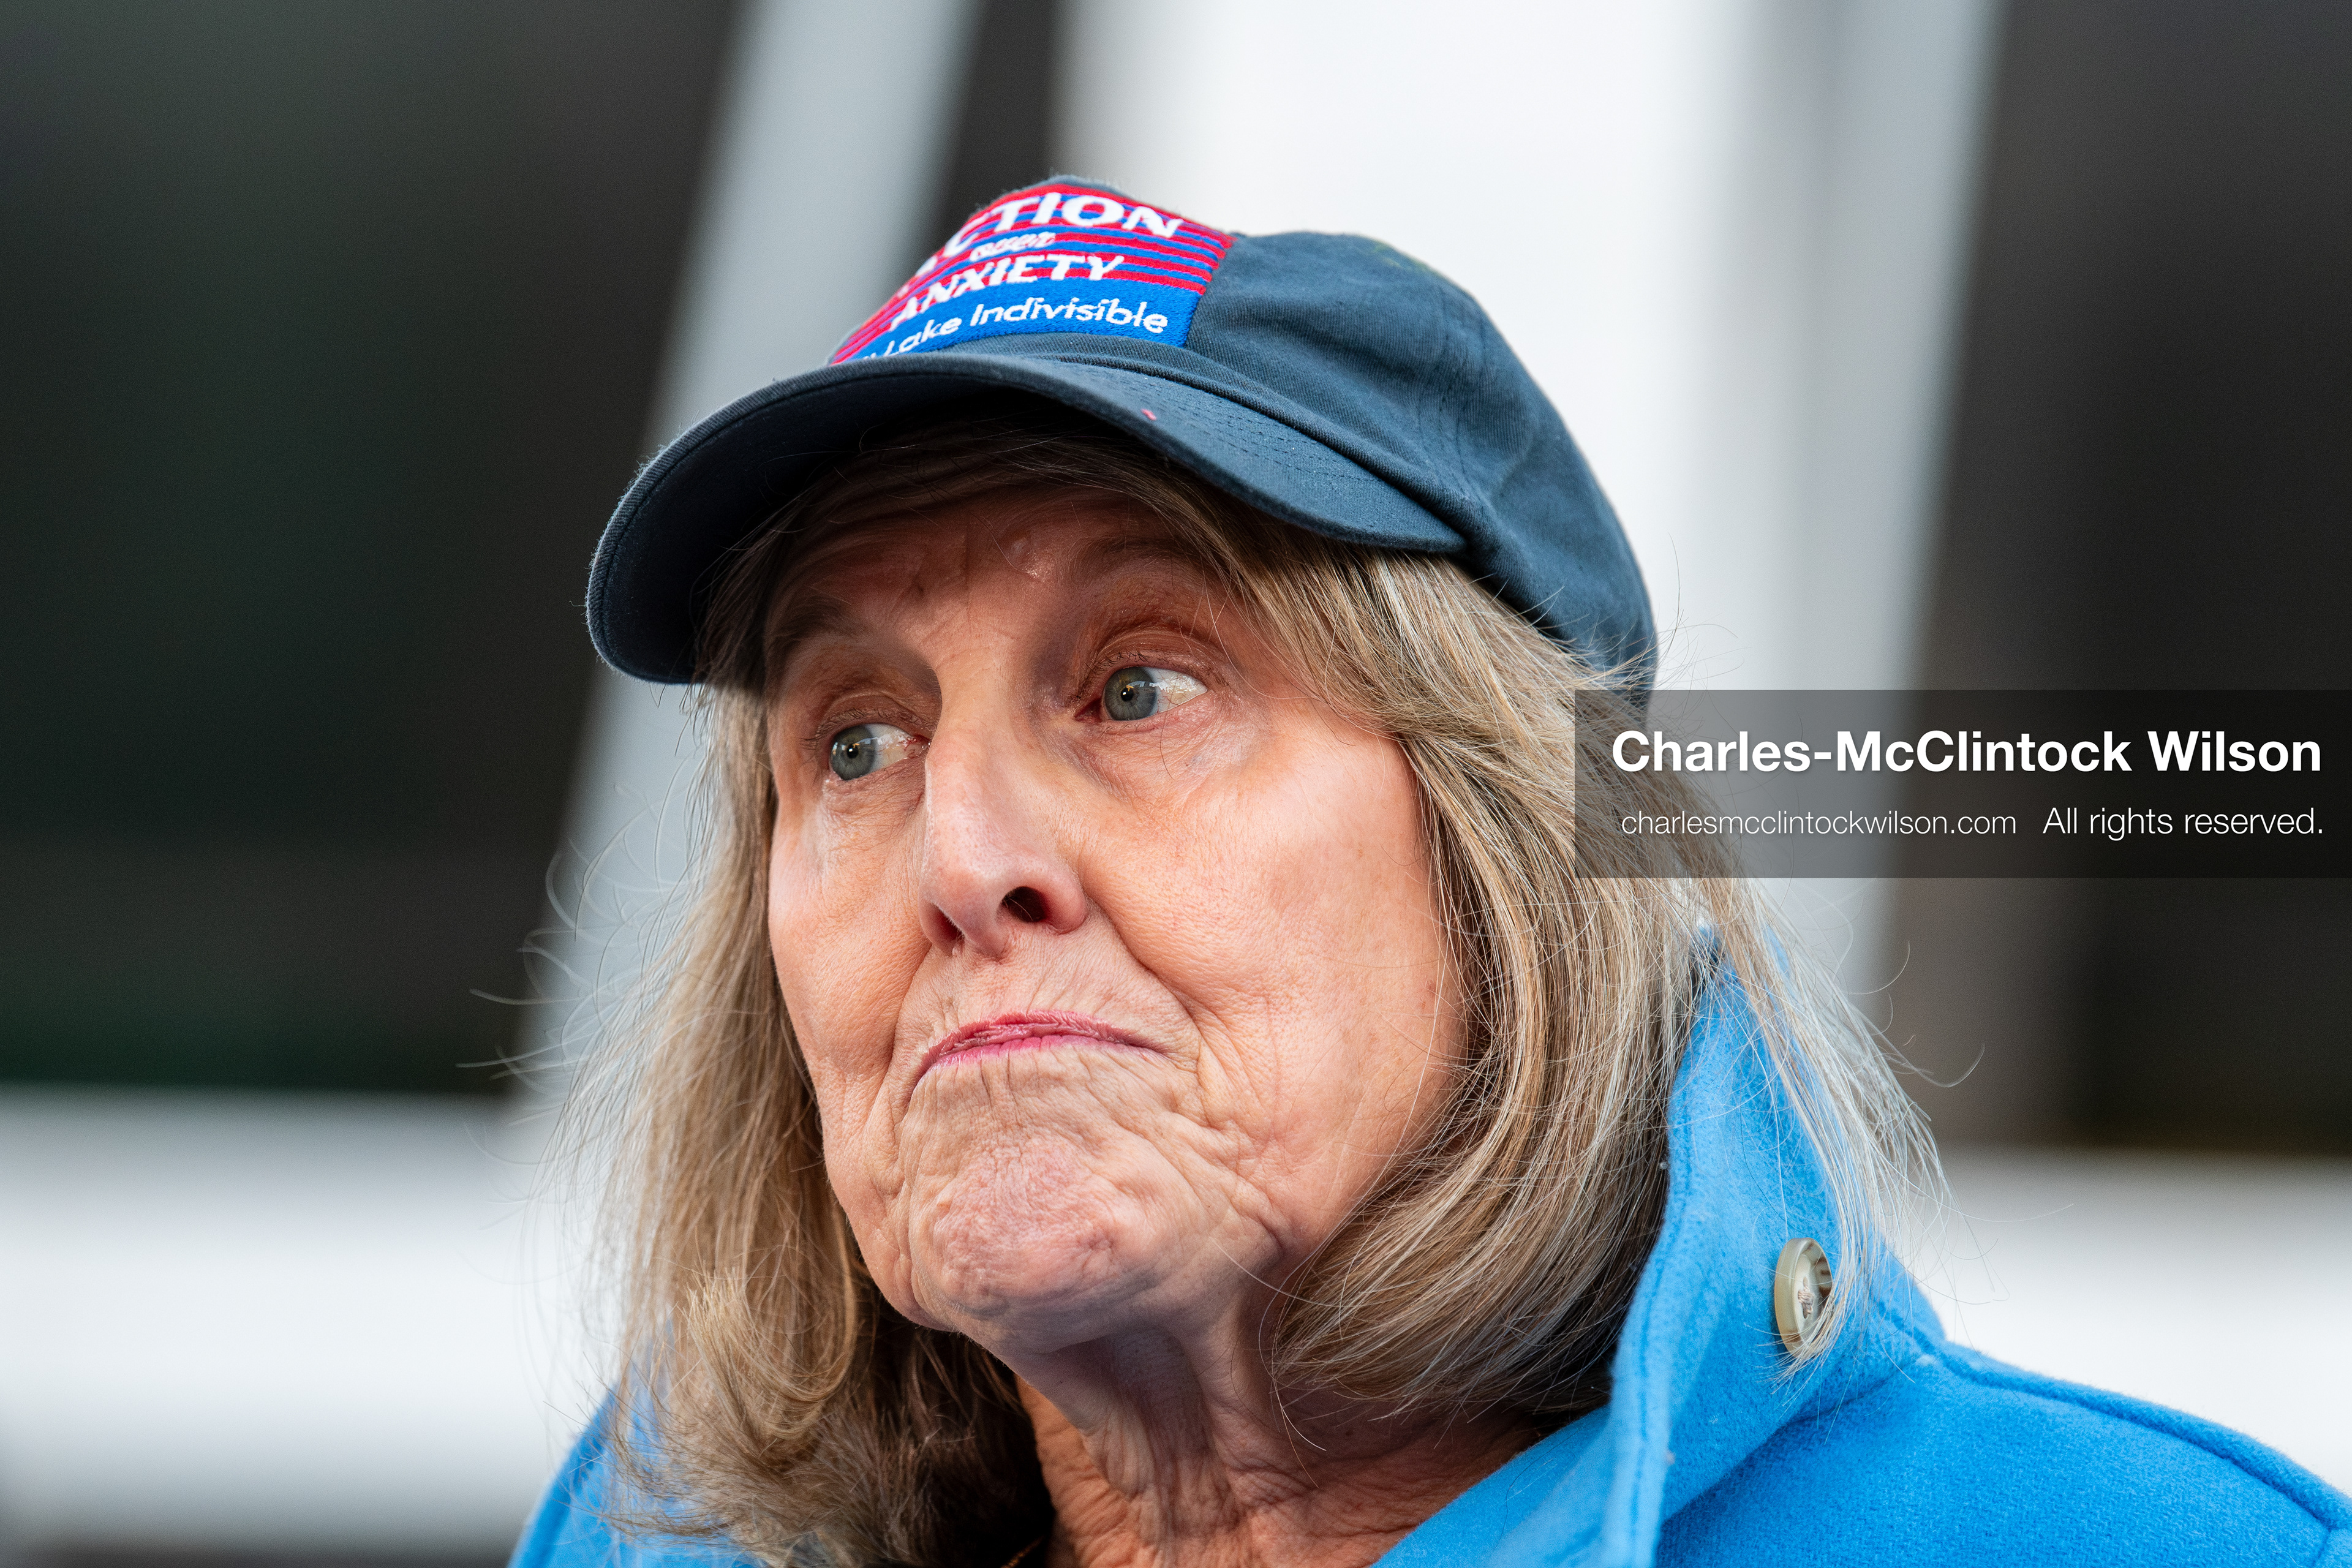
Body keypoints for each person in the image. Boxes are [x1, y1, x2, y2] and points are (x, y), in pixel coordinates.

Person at [514, 179, 2347, 1568]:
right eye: (856, 741)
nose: (964, 858)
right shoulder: (641, 1539)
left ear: (1512, 861)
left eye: (1140, 688)